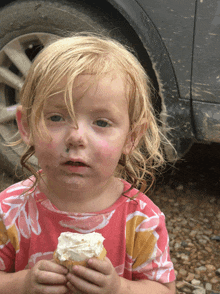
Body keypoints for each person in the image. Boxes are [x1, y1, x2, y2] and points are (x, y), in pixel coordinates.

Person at [0, 34, 176, 294]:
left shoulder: (141, 219)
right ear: (26, 126)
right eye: (56, 117)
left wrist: (118, 289)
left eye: (102, 122)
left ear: (131, 137)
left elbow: (164, 289)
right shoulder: (9, 210)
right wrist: (22, 284)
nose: (76, 137)